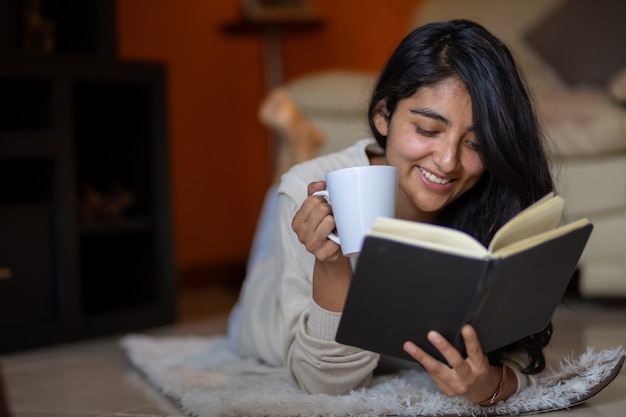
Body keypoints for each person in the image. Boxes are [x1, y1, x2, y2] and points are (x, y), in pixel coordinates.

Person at [228, 19, 555, 405]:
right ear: (383, 115)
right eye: (428, 130)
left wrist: (488, 385)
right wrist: (332, 264)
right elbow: (325, 384)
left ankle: (303, 145)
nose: (449, 162)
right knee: (293, 189)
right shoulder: (310, 190)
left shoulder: (493, 195)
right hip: (266, 303)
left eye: (477, 144)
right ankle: (299, 145)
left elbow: (522, 361)